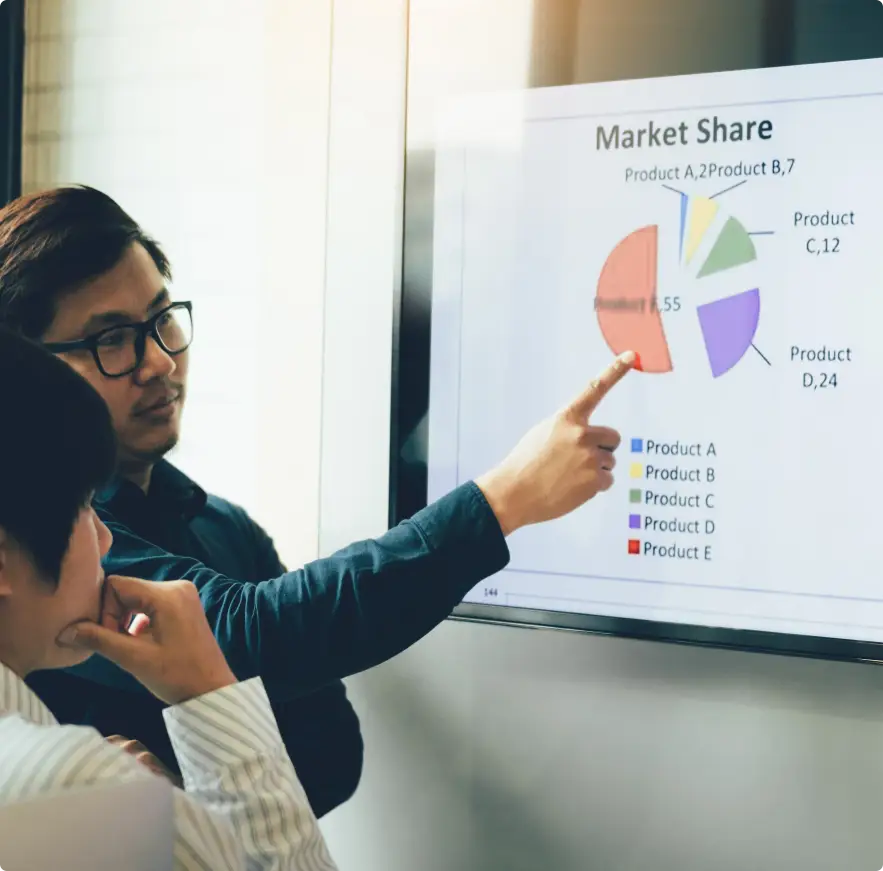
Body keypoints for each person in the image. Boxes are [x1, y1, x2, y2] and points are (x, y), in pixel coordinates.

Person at [0, 185, 636, 789]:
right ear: (28, 370)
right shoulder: (51, 550)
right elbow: (258, 639)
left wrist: (191, 807)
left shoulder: (222, 525)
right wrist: (505, 500)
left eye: (163, 318)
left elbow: (330, 752)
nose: (161, 361)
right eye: (112, 339)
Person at [0, 326, 336, 871]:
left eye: (163, 318)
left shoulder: (228, 525)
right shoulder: (78, 789)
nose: (107, 540)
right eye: (85, 507)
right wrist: (206, 691)